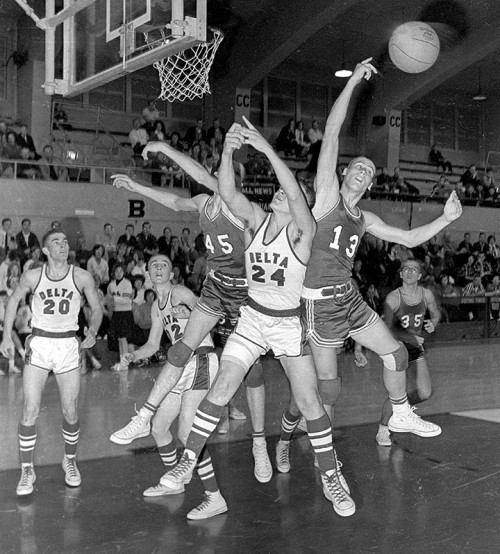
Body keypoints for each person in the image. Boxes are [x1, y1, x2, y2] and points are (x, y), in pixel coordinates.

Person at [158, 118, 356, 518]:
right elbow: (226, 191)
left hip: (286, 322)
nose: (282, 195)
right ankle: (187, 460)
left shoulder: (305, 229)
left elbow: (299, 199)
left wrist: (266, 149)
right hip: (252, 318)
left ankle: (330, 474)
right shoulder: (254, 220)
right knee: (222, 388)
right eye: (280, 192)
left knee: (308, 399)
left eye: (289, 191)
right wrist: (229, 149)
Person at [296, 58, 461, 449]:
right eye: (358, 166)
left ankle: (401, 412)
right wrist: (353, 81)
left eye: (369, 171)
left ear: (369, 184)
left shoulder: (365, 217)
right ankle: (302, 424)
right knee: (330, 389)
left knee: (397, 354)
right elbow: (333, 132)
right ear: (343, 172)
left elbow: (406, 239)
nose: (364, 171)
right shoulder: (326, 196)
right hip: (318, 302)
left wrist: (446, 218)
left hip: (348, 296)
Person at [110, 140, 272, 484]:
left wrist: (164, 149)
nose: (220, 175)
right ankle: (148, 416)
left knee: (253, 370)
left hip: (244, 291)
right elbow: (173, 200)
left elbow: (200, 173)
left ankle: (259, 440)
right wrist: (136, 185)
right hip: (216, 285)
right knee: (182, 346)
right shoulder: (203, 202)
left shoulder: (244, 207)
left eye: (228, 173)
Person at [113, 255, 227, 519]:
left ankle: (214, 497)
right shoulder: (156, 307)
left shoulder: (179, 292)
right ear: (149, 274)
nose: (159, 268)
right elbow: (153, 345)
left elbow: (212, 314)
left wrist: (190, 313)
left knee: (187, 435)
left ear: (172, 272)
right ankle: (177, 482)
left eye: (164, 264)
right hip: (180, 366)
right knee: (159, 426)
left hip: (199, 358)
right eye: (154, 265)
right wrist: (132, 355)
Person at [0, 228, 102, 496]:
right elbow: (12, 302)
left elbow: (97, 307)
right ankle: (26, 470)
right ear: (44, 250)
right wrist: (7, 336)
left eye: (65, 240)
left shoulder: (81, 276)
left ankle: (69, 460)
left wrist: (92, 330)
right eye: (56, 241)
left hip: (68, 344)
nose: (62, 243)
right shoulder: (34, 275)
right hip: (41, 343)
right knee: (30, 409)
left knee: (70, 410)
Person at [376, 259, 441, 446]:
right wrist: (410, 338)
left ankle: (402, 409)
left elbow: (436, 314)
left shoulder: (426, 295)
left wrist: (433, 323)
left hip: (414, 347)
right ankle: (383, 430)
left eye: (414, 269)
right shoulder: (393, 298)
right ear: (400, 274)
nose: (410, 272)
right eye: (406, 269)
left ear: (420, 275)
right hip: (395, 347)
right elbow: (386, 328)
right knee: (398, 392)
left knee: (425, 392)